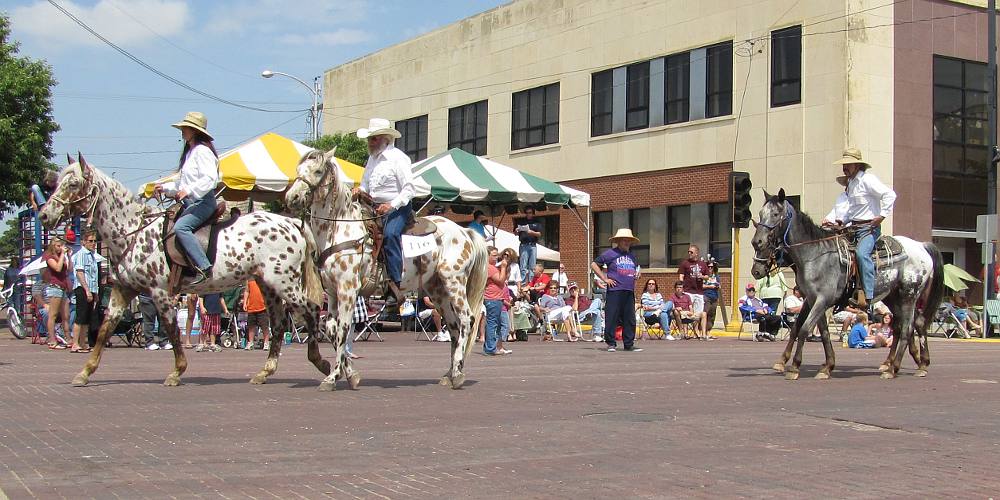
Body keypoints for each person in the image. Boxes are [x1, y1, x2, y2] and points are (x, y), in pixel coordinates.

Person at [821, 148, 896, 309]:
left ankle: (868, 295)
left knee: (862, 254)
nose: (844, 168)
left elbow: (890, 195)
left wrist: (882, 215)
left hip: (869, 229)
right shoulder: (852, 184)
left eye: (848, 164)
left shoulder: (867, 180)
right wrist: (840, 222)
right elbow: (852, 211)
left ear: (857, 165)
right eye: (844, 165)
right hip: (853, 228)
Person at [155, 112, 220, 285]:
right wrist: (165, 188)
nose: (182, 131)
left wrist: (188, 191)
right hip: (192, 202)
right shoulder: (191, 153)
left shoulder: (202, 152)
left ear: (194, 130)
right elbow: (181, 184)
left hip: (203, 202)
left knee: (181, 228)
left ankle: (204, 267)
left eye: (185, 128)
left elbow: (210, 179)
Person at [355, 118, 414, 305]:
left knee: (390, 235)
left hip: (398, 207)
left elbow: (409, 188)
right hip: (373, 206)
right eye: (369, 139)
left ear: (384, 139)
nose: (369, 143)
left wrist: (391, 205)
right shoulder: (371, 159)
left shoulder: (398, 158)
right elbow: (365, 183)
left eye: (373, 139)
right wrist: (359, 190)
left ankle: (394, 285)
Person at [591, 228, 642, 352]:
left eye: (628, 241)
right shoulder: (610, 253)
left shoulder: (632, 256)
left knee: (629, 318)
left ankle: (628, 344)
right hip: (615, 290)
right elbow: (594, 264)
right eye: (624, 240)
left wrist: (637, 275)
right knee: (612, 316)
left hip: (629, 290)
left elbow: (636, 270)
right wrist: (604, 278)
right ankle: (611, 343)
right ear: (618, 241)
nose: (626, 243)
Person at [70, 230, 101, 353]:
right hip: (82, 289)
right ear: (83, 242)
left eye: (94, 241)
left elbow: (94, 276)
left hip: (92, 289)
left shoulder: (92, 256)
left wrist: (95, 293)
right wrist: (87, 290)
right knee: (81, 317)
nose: (93, 243)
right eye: (90, 241)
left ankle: (83, 342)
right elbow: (80, 272)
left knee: (87, 318)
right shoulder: (82, 254)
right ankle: (75, 343)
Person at [42, 239, 72, 350]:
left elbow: (69, 270)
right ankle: (52, 340)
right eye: (58, 246)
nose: (60, 248)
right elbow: (58, 268)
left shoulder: (61, 257)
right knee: (53, 315)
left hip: (63, 287)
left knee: (66, 315)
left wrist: (68, 256)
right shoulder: (49, 257)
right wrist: (63, 255)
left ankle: (68, 338)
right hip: (54, 287)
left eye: (62, 246)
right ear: (53, 246)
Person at [483, 246, 511, 355]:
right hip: (493, 298)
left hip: (496, 298)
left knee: (496, 323)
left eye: (497, 255)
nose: (496, 257)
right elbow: (500, 280)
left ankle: (493, 346)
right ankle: (490, 348)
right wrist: (503, 267)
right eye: (494, 255)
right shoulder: (489, 267)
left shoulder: (492, 267)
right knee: (492, 323)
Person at [678, 244, 711, 335]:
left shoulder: (702, 264)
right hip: (688, 291)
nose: (689, 253)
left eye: (691, 252)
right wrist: (682, 285)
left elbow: (707, 276)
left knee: (698, 313)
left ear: (696, 253)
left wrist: (702, 276)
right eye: (688, 252)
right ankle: (685, 332)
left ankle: (696, 330)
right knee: (687, 312)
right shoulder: (685, 263)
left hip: (699, 292)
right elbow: (681, 276)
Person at [29, 171, 58, 255]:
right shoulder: (42, 186)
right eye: (51, 182)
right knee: (34, 187)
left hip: (51, 204)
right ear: (47, 181)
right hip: (43, 203)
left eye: (54, 182)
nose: (52, 184)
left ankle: (46, 206)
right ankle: (43, 205)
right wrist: (33, 203)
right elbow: (32, 193)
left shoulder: (56, 186)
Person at [517, 207, 543, 285]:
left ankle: (532, 283)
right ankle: (523, 283)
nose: (528, 214)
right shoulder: (521, 221)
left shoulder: (537, 222)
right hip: (523, 245)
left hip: (533, 245)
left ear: (533, 213)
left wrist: (531, 232)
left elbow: (539, 234)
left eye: (530, 212)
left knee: (532, 267)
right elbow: (515, 232)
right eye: (527, 213)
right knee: (523, 266)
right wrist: (516, 230)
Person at [242, 277, 268, 350]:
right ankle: (250, 342)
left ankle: (266, 343)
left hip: (263, 307)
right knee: (251, 326)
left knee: (264, 326)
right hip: (251, 307)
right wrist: (245, 303)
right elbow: (247, 291)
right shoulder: (249, 279)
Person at [702, 261, 721, 331]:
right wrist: (710, 287)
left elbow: (719, 285)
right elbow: (701, 286)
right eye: (708, 267)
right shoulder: (704, 276)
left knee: (712, 315)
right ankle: (703, 331)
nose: (710, 268)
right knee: (705, 313)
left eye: (711, 267)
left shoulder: (716, 276)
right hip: (706, 296)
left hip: (715, 297)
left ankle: (708, 331)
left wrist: (718, 286)